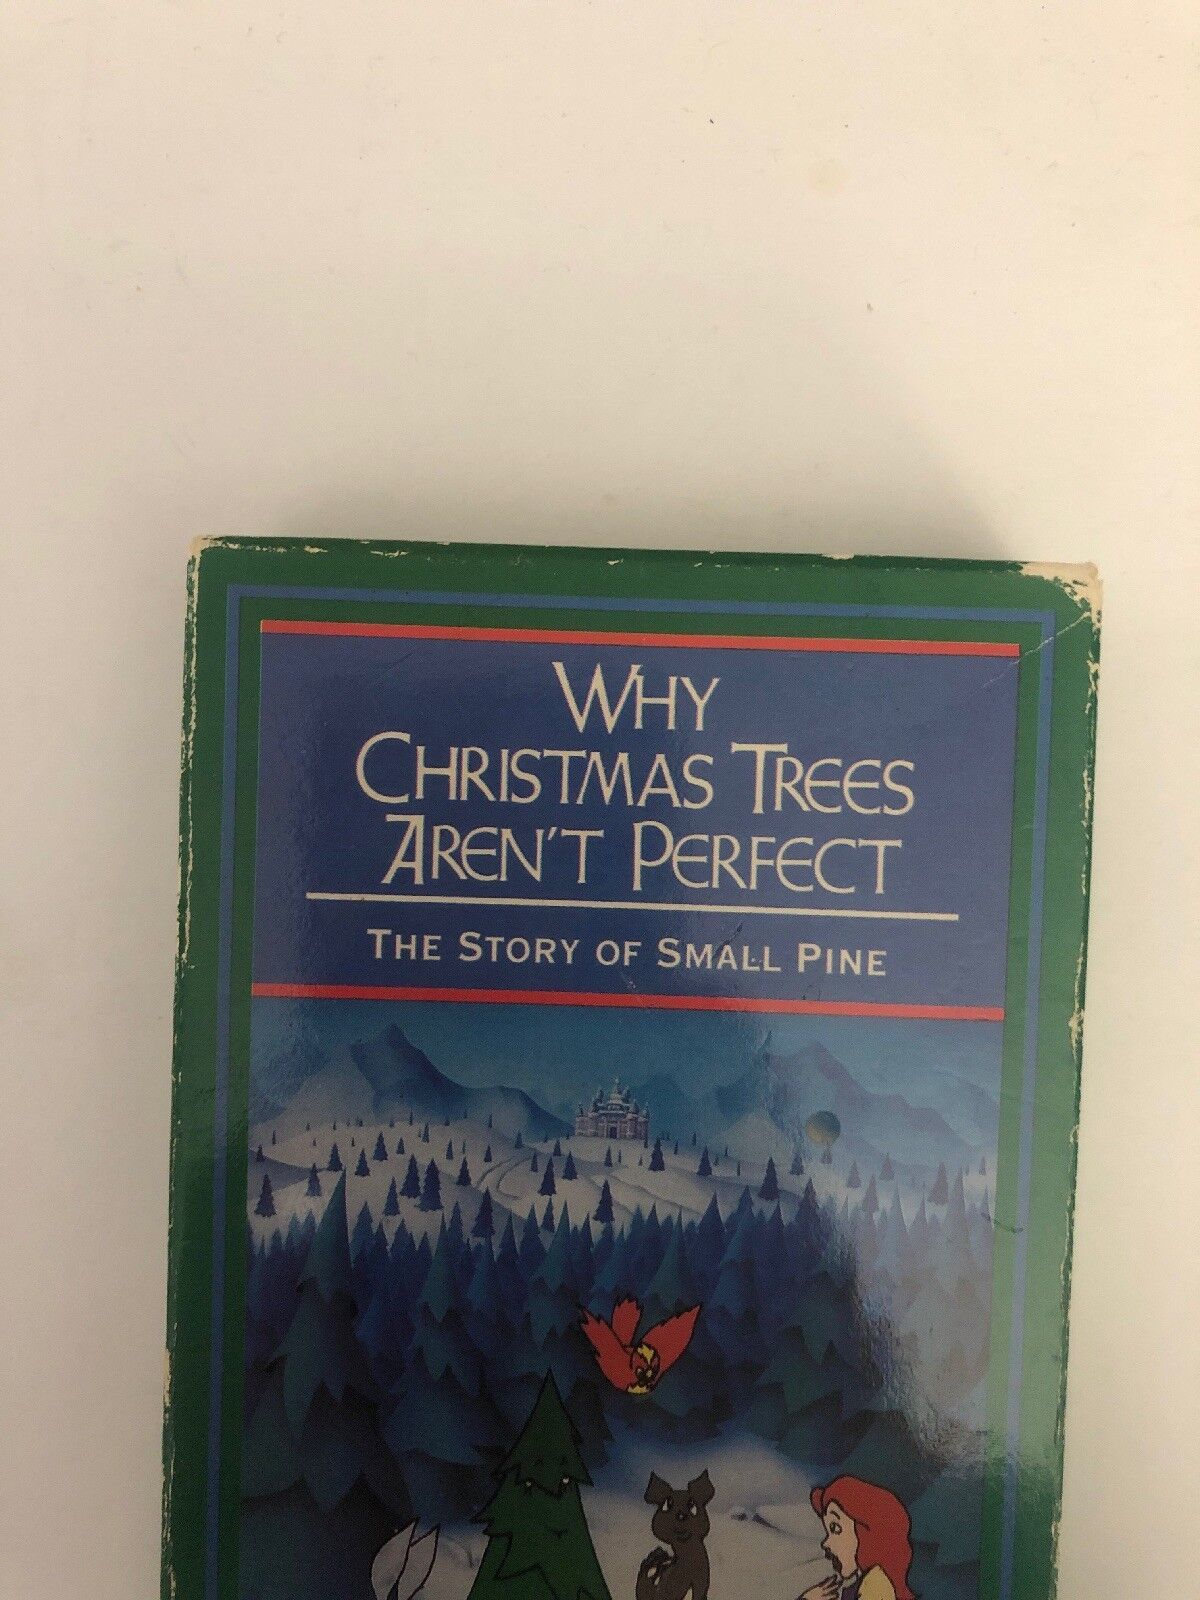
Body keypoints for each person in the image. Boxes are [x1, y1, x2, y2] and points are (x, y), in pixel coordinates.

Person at [800, 1475, 915, 1600]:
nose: (825, 1543)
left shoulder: (877, 1586)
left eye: (836, 1529)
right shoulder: (860, 1587)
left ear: (867, 1532)